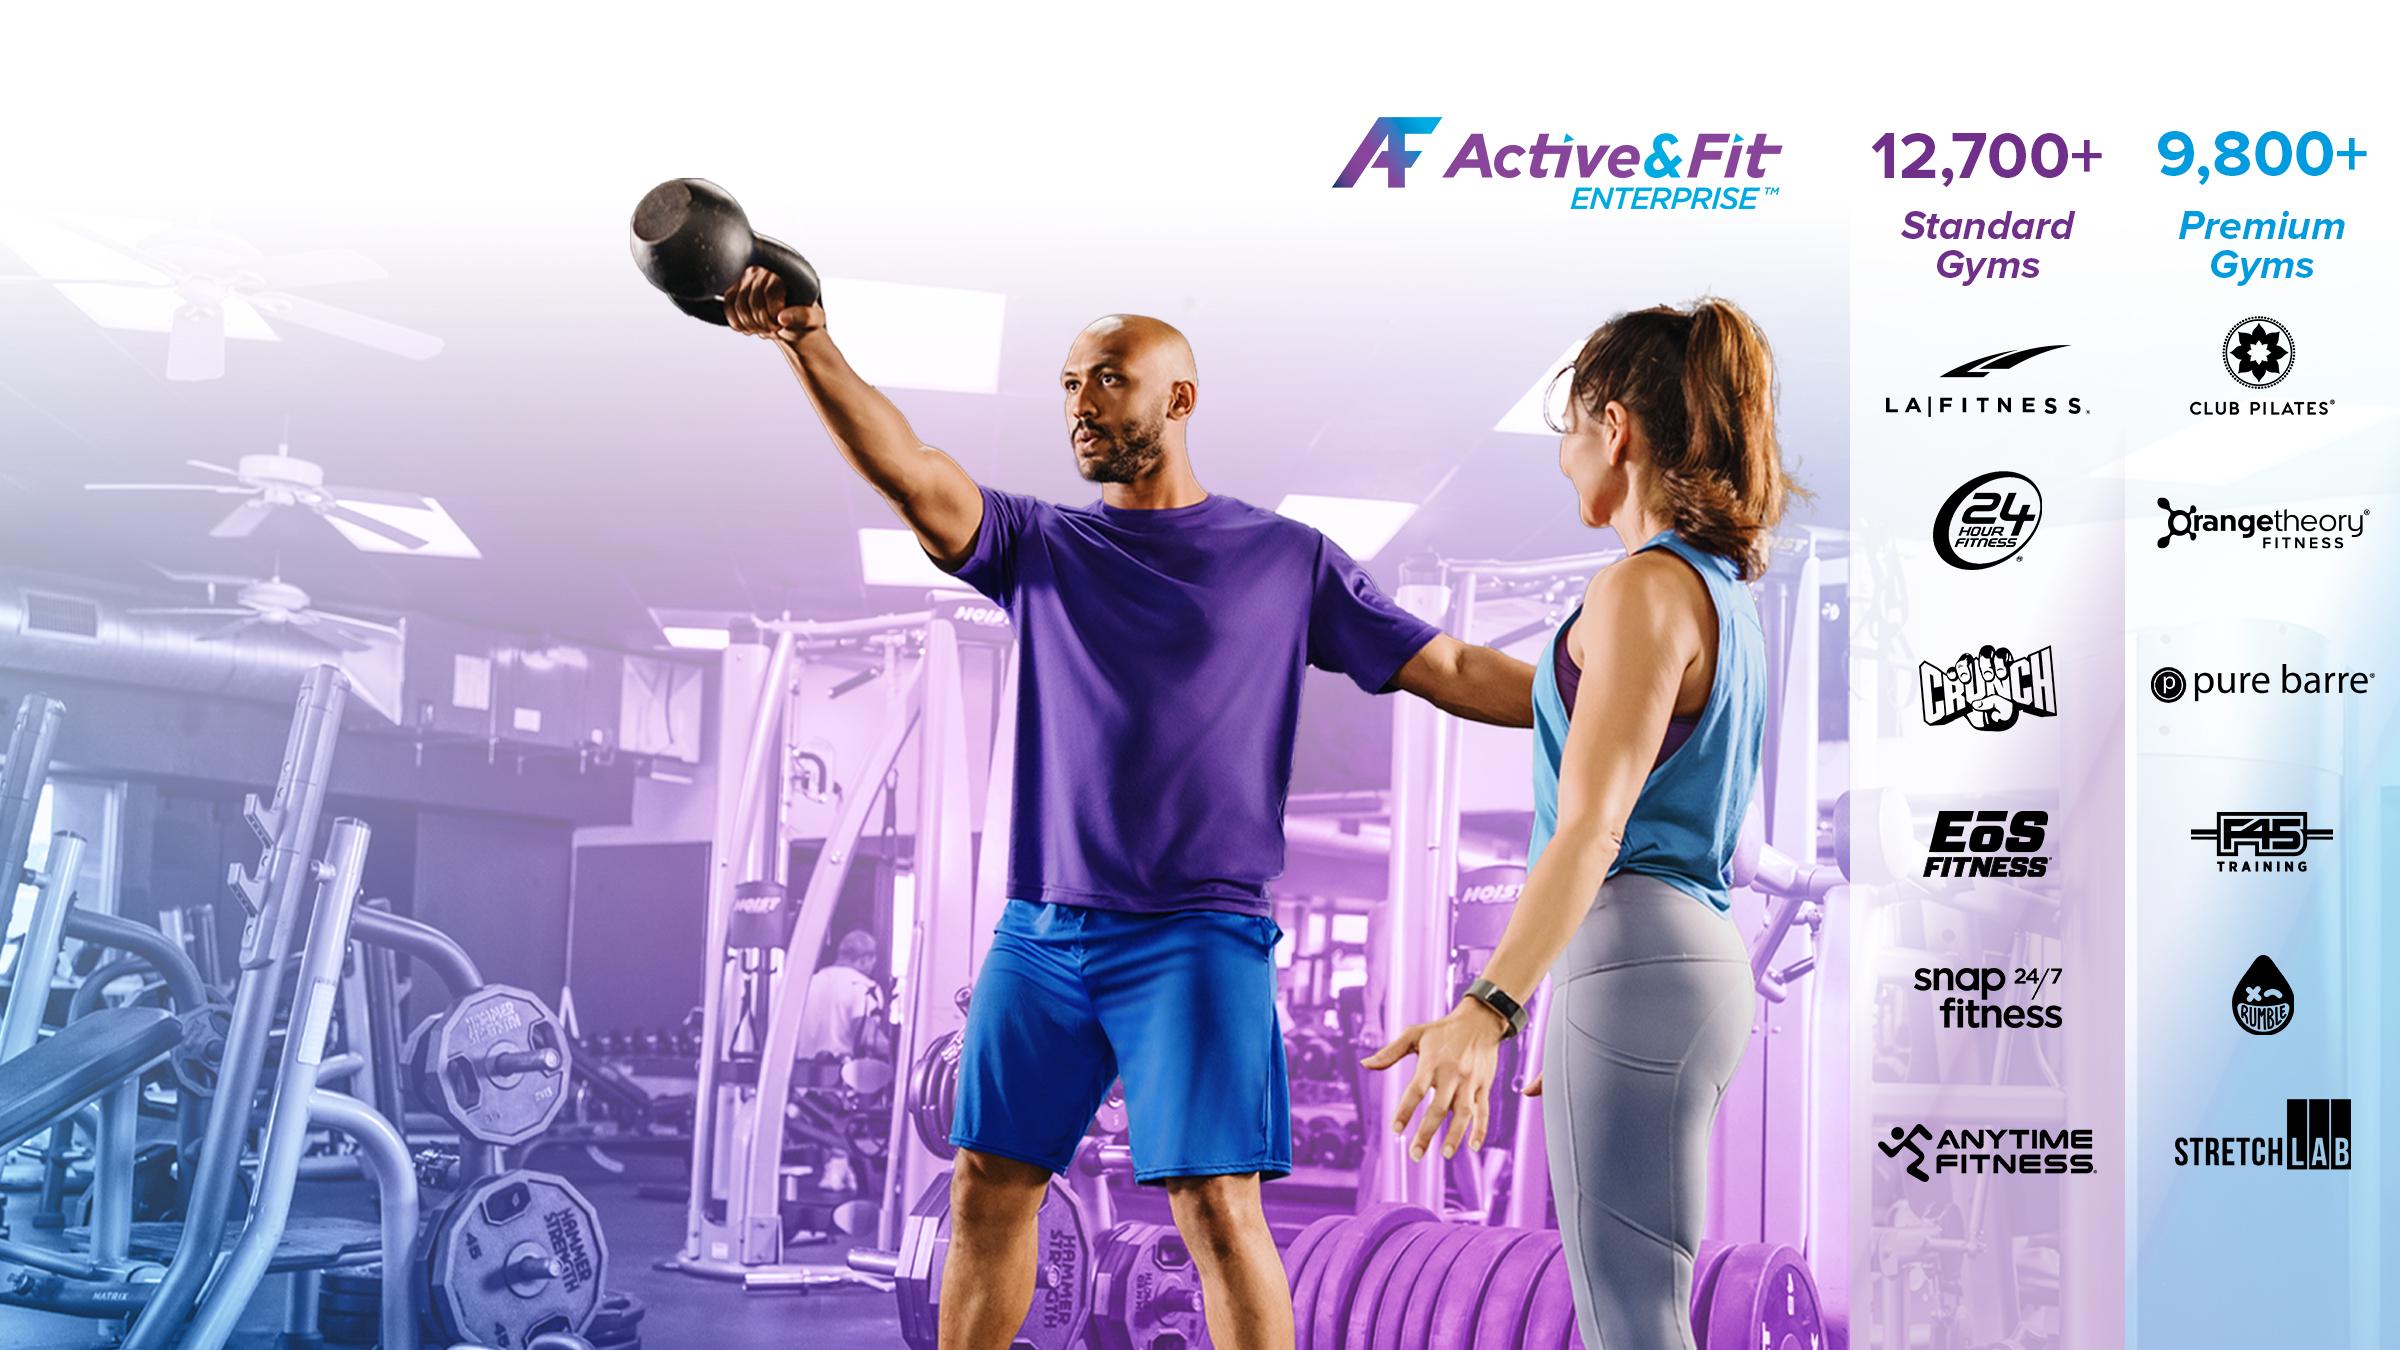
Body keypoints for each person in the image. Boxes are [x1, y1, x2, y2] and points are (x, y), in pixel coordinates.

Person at [720, 268, 1534, 1350]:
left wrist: (1610, 712)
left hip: (1197, 934)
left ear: (1178, 400)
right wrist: (806, 343)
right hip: (1043, 931)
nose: (1081, 405)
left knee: (1216, 1209)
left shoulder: (1283, 558)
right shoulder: (1042, 547)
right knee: (986, 1185)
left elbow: (1449, 662)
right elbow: (913, 473)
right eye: (1068, 385)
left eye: (1108, 379)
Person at [1365, 299, 1799, 1350]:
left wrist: (1490, 1007)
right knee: (1636, 1308)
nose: (1561, 460)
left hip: (1637, 950)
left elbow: (1591, 829)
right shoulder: (1716, 597)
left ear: (1616, 429)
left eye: (1568, 431)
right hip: (1675, 959)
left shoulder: (1642, 589)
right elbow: (1509, 688)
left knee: (1633, 1322)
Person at [796, 929, 887, 1063]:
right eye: (872, 961)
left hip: (800, 1075)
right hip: (841, 1075)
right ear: (864, 959)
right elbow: (869, 1041)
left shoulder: (807, 983)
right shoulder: (865, 987)